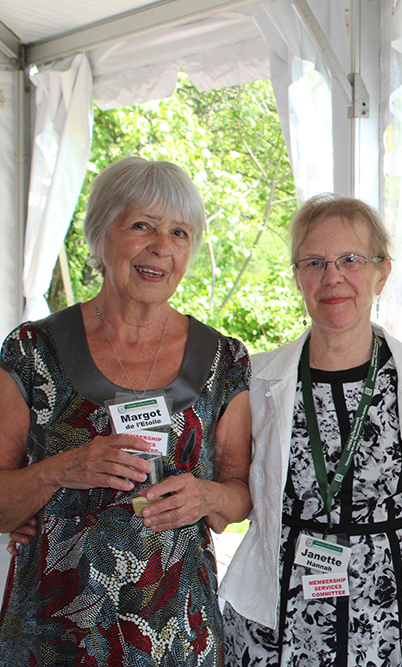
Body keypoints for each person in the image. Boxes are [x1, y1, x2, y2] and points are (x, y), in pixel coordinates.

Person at [0, 156, 252, 665]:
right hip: (53, 637)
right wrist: (57, 472)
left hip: (179, 634)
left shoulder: (224, 360)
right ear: (100, 233)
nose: (161, 246)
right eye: (142, 225)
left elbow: (239, 497)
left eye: (180, 233)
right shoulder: (33, 350)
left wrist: (207, 496)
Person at [219, 194, 402, 667]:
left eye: (351, 260)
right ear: (298, 276)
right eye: (314, 262)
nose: (332, 277)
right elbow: (226, 489)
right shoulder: (255, 382)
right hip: (279, 625)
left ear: (382, 272)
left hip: (394, 625)